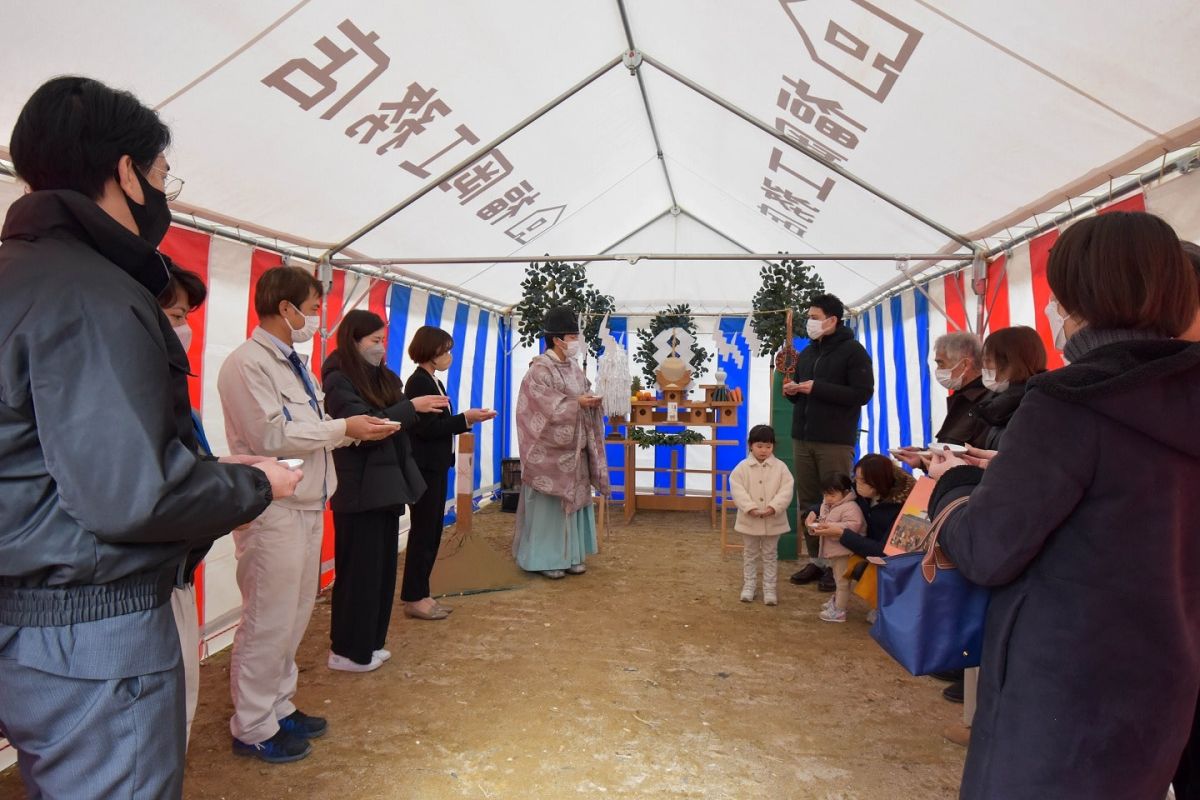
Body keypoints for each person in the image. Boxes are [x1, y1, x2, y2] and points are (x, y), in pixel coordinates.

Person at [0, 76, 297, 798]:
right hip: (89, 628)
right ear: (128, 173)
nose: (165, 194)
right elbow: (134, 494)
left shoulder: (21, 275)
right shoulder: (93, 292)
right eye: (164, 176)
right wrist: (259, 482)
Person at [925, 211, 1200, 799]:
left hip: (1062, 691)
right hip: (1166, 684)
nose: (1053, 308)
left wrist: (951, 488)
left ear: (1083, 297)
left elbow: (988, 549)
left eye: (1059, 293)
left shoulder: (1069, 404)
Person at [218, 266, 399, 763]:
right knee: (267, 619)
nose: (318, 319)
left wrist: (342, 429)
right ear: (286, 308)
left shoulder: (291, 361)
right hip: (272, 509)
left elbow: (310, 426)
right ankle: (252, 724)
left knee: (295, 614)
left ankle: (278, 705)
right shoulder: (246, 364)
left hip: (309, 501)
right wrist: (344, 427)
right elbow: (270, 437)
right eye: (314, 308)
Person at [321, 311, 452, 669]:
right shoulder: (337, 378)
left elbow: (388, 415)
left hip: (387, 485)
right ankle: (347, 650)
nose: (381, 348)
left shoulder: (381, 376)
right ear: (353, 340)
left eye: (383, 341)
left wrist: (406, 410)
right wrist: (412, 407)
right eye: (374, 341)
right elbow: (367, 425)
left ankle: (371, 642)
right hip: (359, 488)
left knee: (380, 572)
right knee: (359, 573)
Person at [157, 262, 217, 745]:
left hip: (179, 568)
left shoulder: (180, 400)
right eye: (174, 315)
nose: (184, 328)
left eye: (184, 316)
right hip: (146, 581)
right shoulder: (130, 397)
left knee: (181, 700)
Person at [404, 326, 496, 620]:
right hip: (425, 467)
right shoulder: (418, 383)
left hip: (437, 465)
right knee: (423, 533)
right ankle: (414, 597)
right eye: (445, 350)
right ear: (432, 351)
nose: (449, 356)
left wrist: (464, 419)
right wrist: (465, 419)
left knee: (431, 531)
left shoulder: (434, 382)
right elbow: (427, 429)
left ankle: (423, 593)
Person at [783, 294, 874, 591]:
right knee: (809, 502)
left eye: (815, 316)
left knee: (837, 502)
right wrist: (792, 391)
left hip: (834, 440)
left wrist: (818, 388)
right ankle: (817, 560)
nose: (810, 322)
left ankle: (838, 563)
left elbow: (862, 394)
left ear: (833, 320)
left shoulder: (853, 352)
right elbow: (799, 386)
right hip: (803, 437)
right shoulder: (807, 352)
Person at [512, 306, 609, 578]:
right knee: (549, 505)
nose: (576, 342)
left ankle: (572, 555)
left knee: (576, 499)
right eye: (572, 336)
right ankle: (545, 559)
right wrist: (576, 404)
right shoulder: (539, 370)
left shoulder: (573, 367)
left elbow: (582, 391)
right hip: (549, 453)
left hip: (574, 448)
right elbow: (539, 407)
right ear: (557, 339)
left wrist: (590, 400)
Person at [895, 332, 989, 469]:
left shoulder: (985, 402)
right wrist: (923, 456)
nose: (938, 370)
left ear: (965, 365)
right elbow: (951, 450)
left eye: (941, 364)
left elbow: (974, 458)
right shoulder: (962, 398)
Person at [728, 424, 795, 606]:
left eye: (768, 446)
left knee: (770, 554)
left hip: (773, 520)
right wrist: (750, 508)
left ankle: (770, 589)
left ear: (773, 446)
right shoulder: (742, 468)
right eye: (759, 446)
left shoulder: (781, 468)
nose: (764, 450)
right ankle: (749, 585)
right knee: (749, 554)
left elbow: (786, 490)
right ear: (750, 445)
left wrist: (773, 507)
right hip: (749, 520)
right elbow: (737, 489)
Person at [969, 326, 1046, 450]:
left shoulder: (1034, 406)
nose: (984, 367)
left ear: (1013, 363)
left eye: (988, 361)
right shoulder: (1002, 404)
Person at [806, 473, 865, 623]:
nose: (827, 498)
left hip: (844, 551)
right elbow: (822, 520)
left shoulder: (850, 507)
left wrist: (829, 526)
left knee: (842, 582)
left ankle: (840, 610)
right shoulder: (827, 505)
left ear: (845, 493)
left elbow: (853, 526)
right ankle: (837, 602)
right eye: (825, 494)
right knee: (838, 579)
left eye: (832, 494)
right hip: (833, 550)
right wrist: (814, 526)